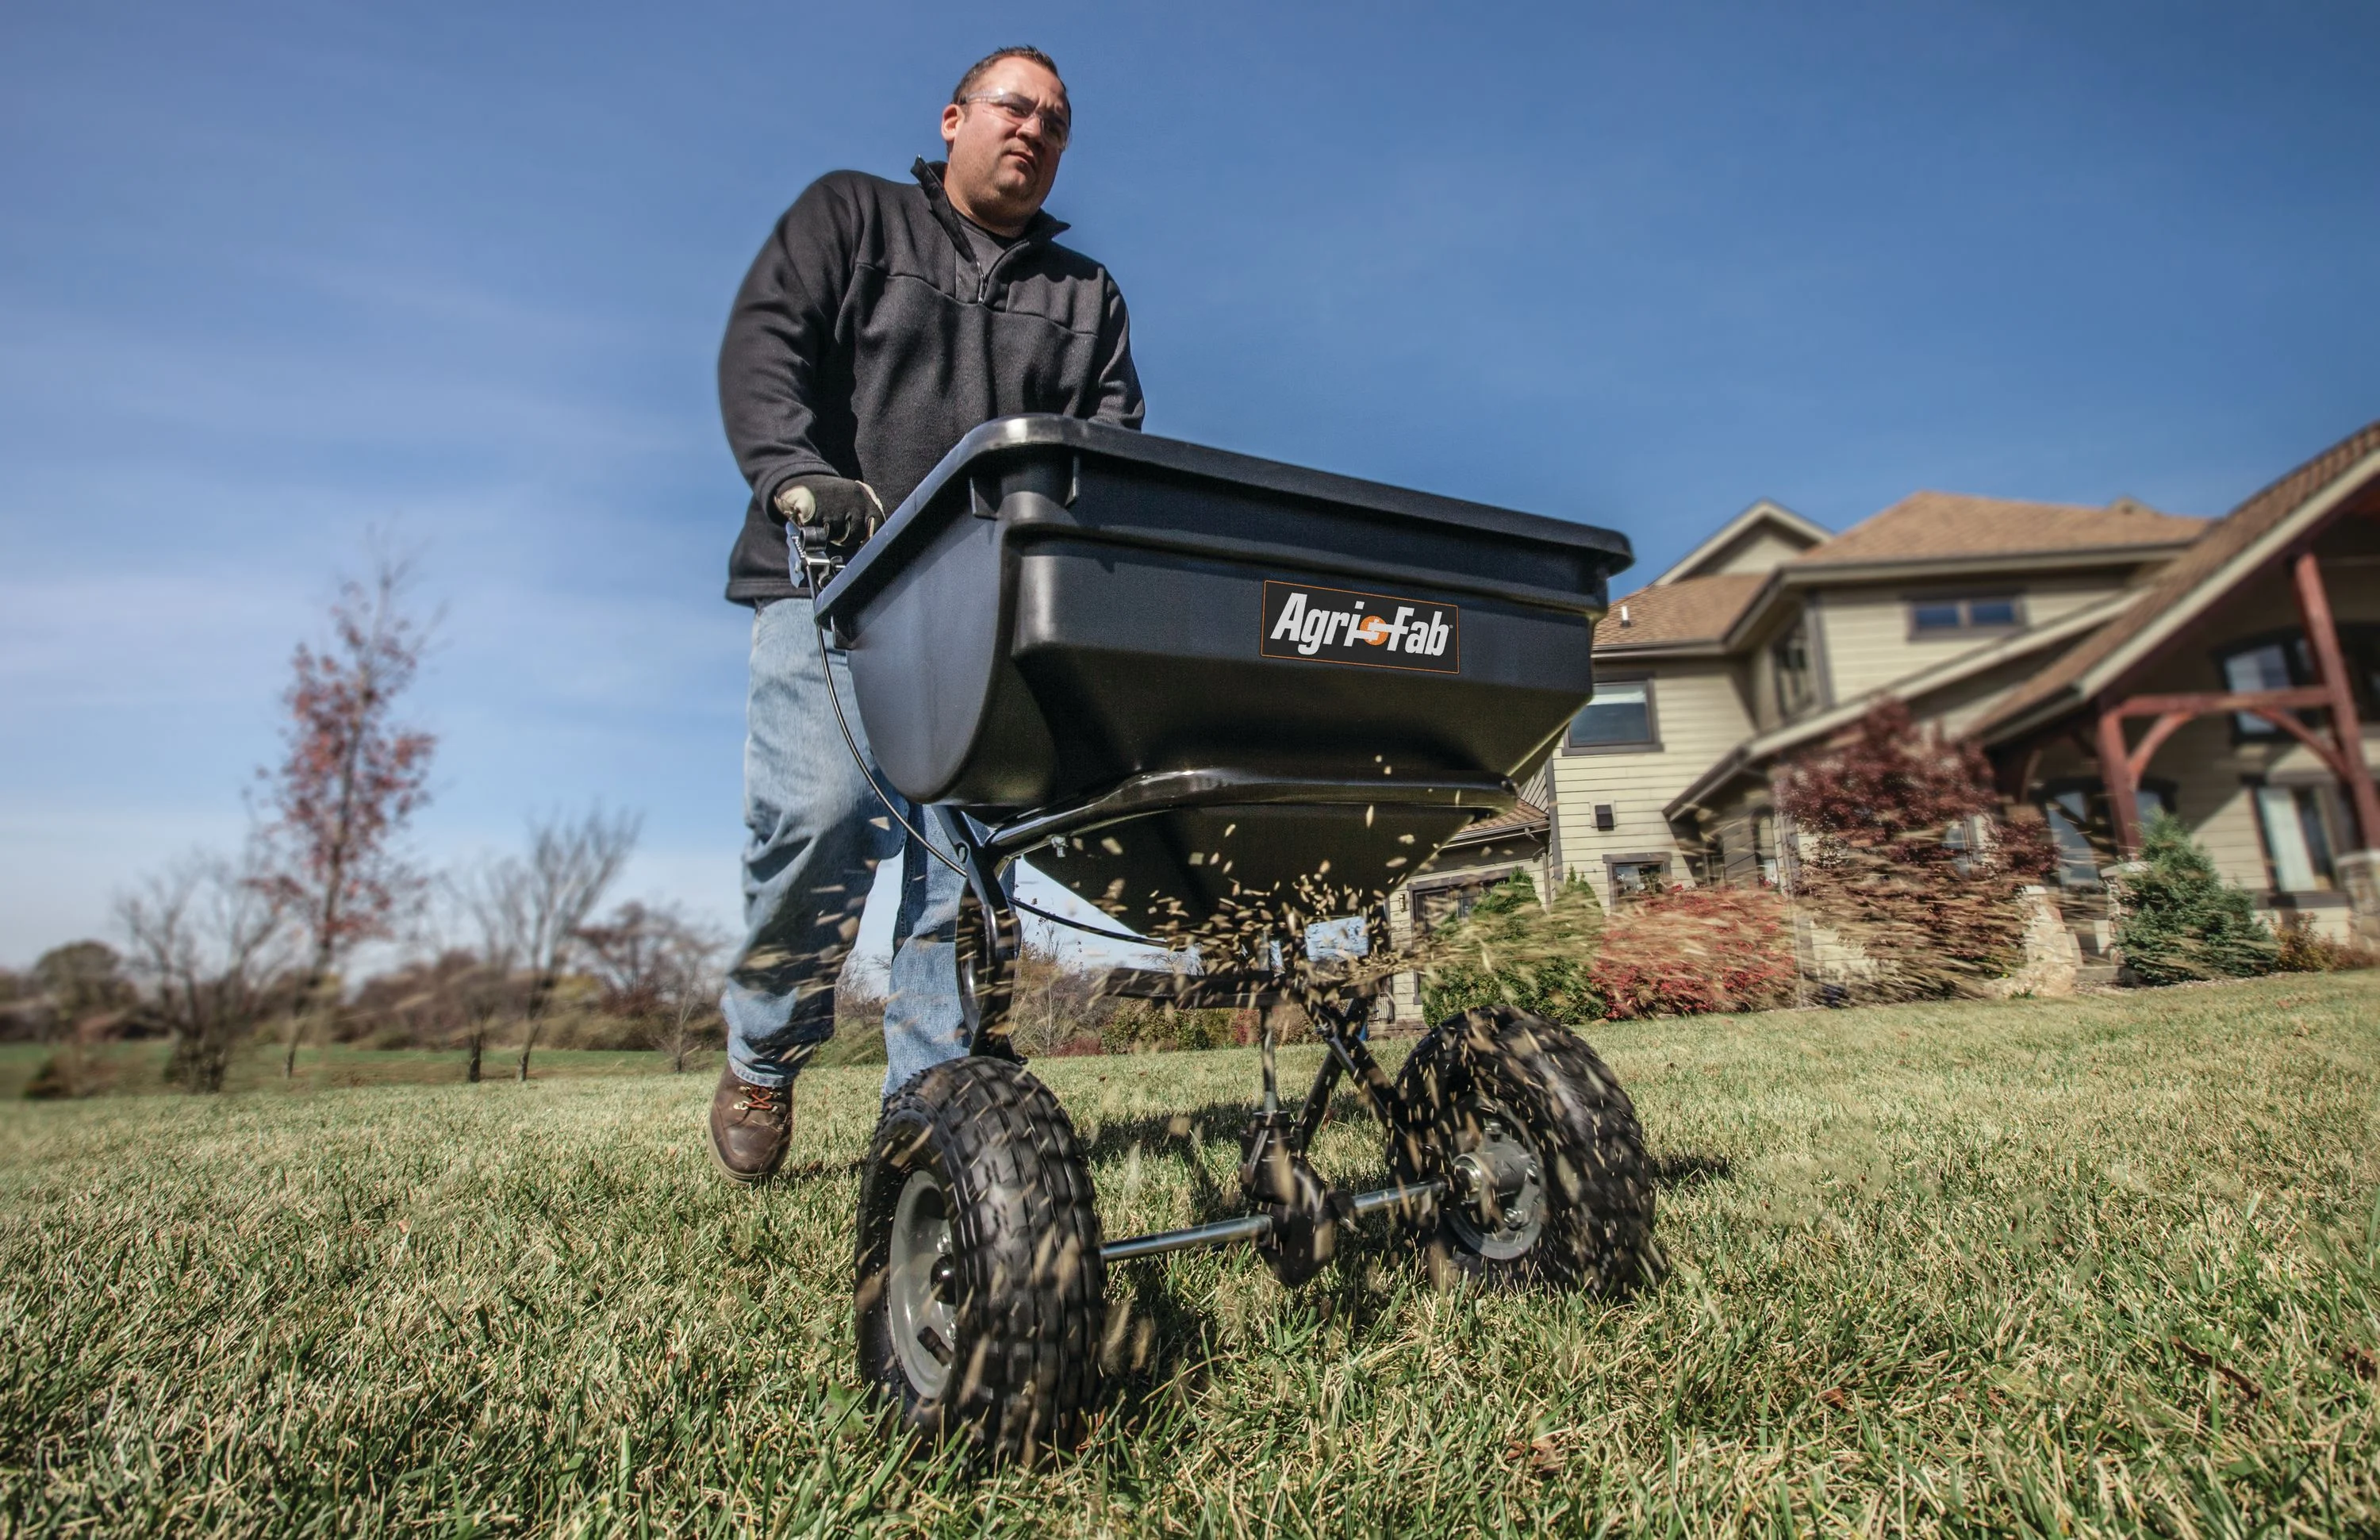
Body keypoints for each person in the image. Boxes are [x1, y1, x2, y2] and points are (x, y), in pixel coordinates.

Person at [708, 46, 1143, 1181]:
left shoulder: (1084, 295)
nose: (1035, 131)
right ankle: (766, 1050)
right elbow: (766, 350)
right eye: (1014, 106)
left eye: (1056, 122)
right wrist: (796, 474)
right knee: (819, 819)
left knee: (961, 865)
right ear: (954, 118)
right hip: (831, 585)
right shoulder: (853, 218)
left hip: (985, 617)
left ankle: (932, 1114)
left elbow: (1110, 447)